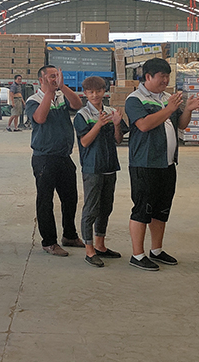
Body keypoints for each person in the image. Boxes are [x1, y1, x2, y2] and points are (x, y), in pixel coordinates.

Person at [125, 58, 199, 271]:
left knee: (161, 210)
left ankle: (156, 250)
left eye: (167, 76)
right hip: (145, 164)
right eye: (162, 76)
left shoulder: (167, 98)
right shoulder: (135, 99)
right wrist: (169, 109)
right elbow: (144, 125)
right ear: (148, 76)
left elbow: (181, 125)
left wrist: (187, 110)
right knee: (142, 209)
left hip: (167, 164)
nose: (165, 80)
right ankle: (137, 255)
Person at [26, 65, 84, 256]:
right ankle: (49, 241)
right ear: (41, 80)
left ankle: (69, 235)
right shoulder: (34, 100)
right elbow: (40, 118)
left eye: (57, 76)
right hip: (44, 158)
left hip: (64, 156)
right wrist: (50, 92)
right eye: (51, 76)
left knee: (70, 198)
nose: (54, 79)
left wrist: (63, 87)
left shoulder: (61, 96)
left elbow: (77, 105)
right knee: (45, 201)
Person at [73, 76, 124, 267]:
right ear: (85, 94)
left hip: (109, 166)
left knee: (106, 207)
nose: (95, 95)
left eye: (98, 91)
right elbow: (85, 142)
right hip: (92, 167)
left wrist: (117, 124)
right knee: (91, 209)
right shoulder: (82, 115)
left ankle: (101, 245)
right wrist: (98, 125)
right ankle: (89, 250)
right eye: (90, 92)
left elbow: (118, 140)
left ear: (105, 91)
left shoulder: (111, 112)